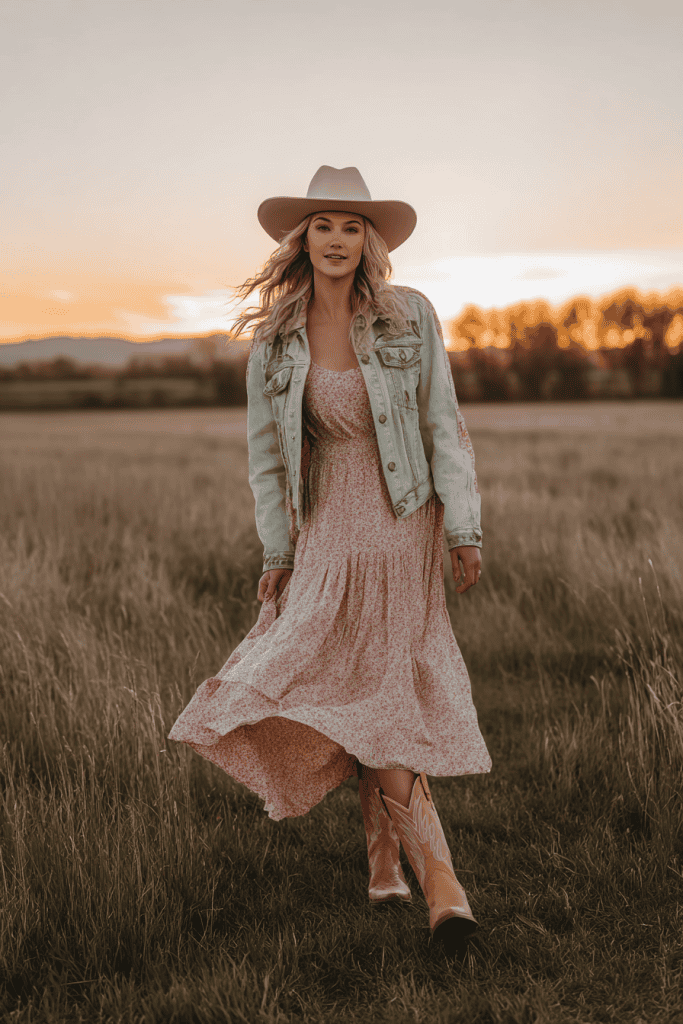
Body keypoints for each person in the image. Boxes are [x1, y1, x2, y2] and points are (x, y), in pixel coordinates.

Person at [168, 165, 492, 957]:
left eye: (352, 226)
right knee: (340, 679)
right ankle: (397, 861)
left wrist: (463, 529)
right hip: (323, 528)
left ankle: (434, 882)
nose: (338, 240)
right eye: (323, 226)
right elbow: (267, 462)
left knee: (377, 682)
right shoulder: (275, 338)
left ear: (368, 240)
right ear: (301, 239)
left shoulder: (408, 314)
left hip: (401, 518)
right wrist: (278, 550)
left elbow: (440, 421)